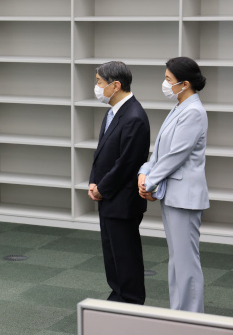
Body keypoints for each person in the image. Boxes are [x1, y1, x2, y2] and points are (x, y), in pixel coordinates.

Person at [138, 57, 208, 313]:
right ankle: (179, 316)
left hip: (184, 197)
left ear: (184, 83)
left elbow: (177, 155)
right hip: (174, 196)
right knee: (177, 261)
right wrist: (144, 172)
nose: (165, 84)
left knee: (186, 262)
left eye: (168, 79)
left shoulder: (194, 112)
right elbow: (160, 151)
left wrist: (150, 183)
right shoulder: (180, 106)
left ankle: (191, 321)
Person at [88, 61, 150, 304]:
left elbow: (127, 163)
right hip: (108, 197)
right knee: (112, 254)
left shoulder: (134, 116)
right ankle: (118, 296)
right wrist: (94, 183)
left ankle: (131, 301)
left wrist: (102, 188)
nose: (96, 88)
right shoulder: (113, 111)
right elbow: (102, 153)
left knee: (125, 255)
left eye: (99, 83)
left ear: (116, 85)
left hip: (122, 200)